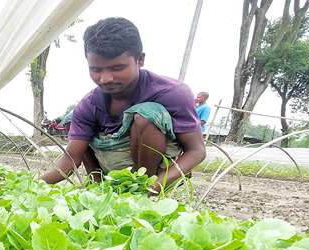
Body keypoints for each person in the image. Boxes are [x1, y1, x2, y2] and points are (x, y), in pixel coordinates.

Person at [41, 18, 206, 192]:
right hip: (111, 169)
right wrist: (30, 184)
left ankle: (141, 191)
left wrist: (152, 187)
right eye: (96, 69)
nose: (105, 78)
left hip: (158, 176)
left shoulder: (173, 93)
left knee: (146, 116)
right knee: (73, 118)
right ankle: (98, 187)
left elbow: (196, 151)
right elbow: (70, 159)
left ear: (140, 60)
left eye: (117, 68)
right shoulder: (89, 105)